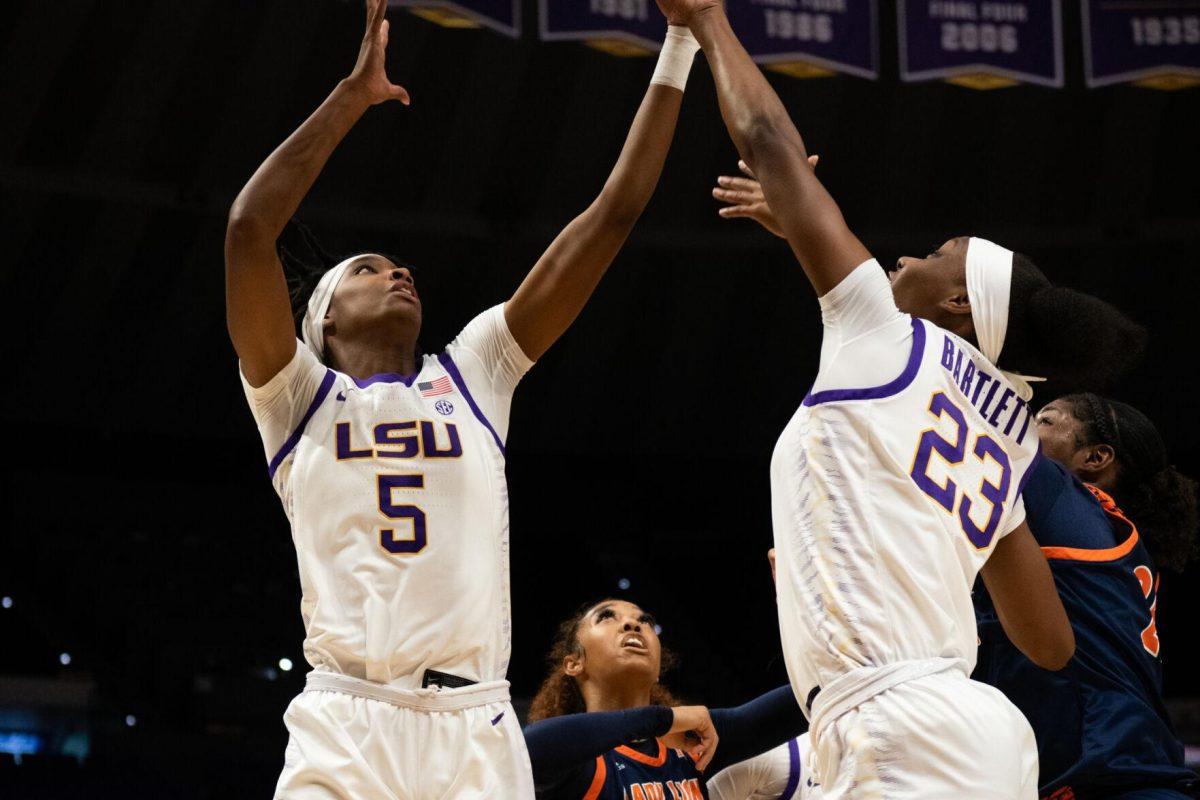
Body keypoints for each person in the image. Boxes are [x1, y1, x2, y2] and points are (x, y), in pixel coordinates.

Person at [660, 0, 1144, 796]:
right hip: (981, 733)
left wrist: (708, 18)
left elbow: (771, 143)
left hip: (893, 718)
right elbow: (1051, 643)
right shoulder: (1014, 435)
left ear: (960, 304)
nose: (913, 253)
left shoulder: (883, 333)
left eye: (942, 254)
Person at [224, 0, 702, 795]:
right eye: (370, 268)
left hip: (473, 726)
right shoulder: (294, 394)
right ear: (327, 317)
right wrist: (351, 95)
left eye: (400, 266)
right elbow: (248, 229)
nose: (399, 272)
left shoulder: (475, 371)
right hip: (346, 719)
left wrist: (682, 41)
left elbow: (613, 212)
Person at [975, 395, 1199, 800]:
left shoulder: (1065, 496)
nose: (1024, 429)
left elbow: (978, 429)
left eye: (1043, 419)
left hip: (1111, 777)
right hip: (1116, 770)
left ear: (1095, 457)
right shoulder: (1101, 534)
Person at [523, 598, 808, 799]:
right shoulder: (578, 760)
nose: (632, 625)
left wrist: (795, 600)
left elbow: (809, 695)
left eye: (644, 620)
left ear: (659, 670)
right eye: (607, 617)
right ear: (573, 663)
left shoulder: (692, 744)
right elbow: (530, 749)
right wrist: (666, 718)